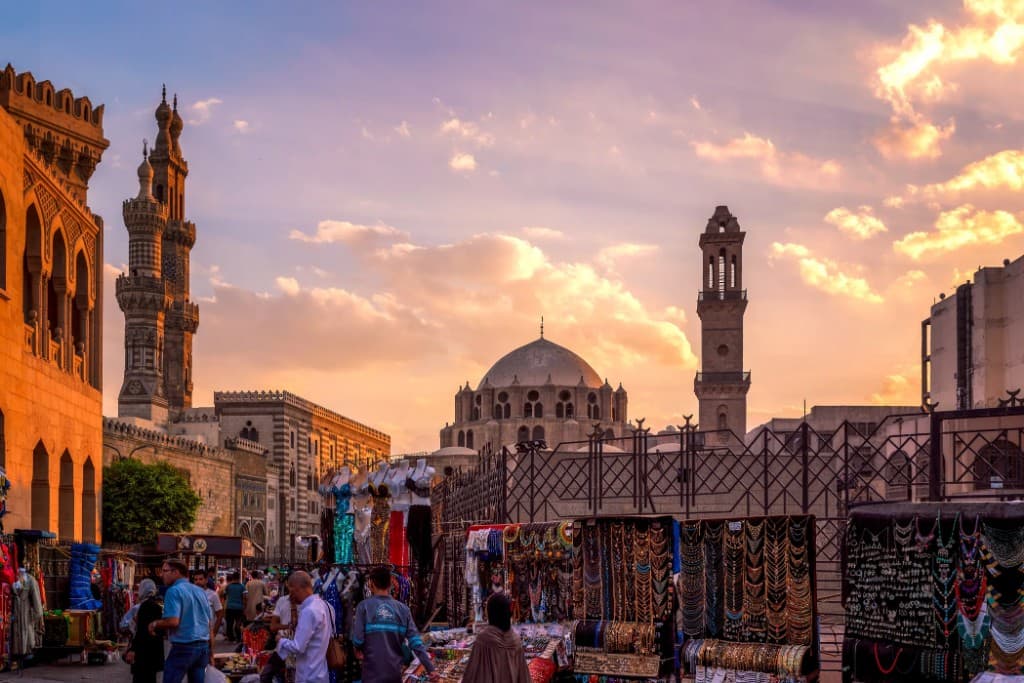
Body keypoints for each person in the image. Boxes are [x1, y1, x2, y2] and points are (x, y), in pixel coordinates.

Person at [353, 566, 438, 683]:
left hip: (371, 675)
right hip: (394, 674)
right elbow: (416, 643)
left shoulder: (363, 607)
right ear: (390, 584)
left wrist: (357, 648)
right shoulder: (403, 610)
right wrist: (430, 669)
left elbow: (358, 639)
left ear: (371, 583)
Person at [149, 559, 214, 683]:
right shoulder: (200, 591)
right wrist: (211, 652)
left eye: (165, 571)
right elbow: (208, 624)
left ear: (176, 572)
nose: (162, 574)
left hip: (184, 647)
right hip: (203, 647)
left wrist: (155, 624)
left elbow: (173, 621)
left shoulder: (174, 591)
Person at [275, 571, 331, 683]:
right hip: (320, 673)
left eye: (291, 591)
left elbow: (298, 647)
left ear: (297, 588)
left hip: (308, 675)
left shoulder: (308, 611)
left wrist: (281, 640)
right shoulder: (324, 605)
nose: (291, 596)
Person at [462, 593, 530, 683]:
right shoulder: (516, 640)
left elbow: (471, 675)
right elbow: (524, 676)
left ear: (491, 613)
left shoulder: (484, 640)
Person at [125, 579, 164, 683]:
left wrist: (133, 649)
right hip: (154, 651)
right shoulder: (156, 606)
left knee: (141, 678)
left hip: (144, 653)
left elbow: (141, 631)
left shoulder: (145, 606)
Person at [260, 583, 298, 683]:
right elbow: (273, 626)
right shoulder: (282, 601)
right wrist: (287, 626)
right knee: (266, 675)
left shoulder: (306, 605)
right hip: (283, 645)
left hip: (295, 648)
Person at [193, 570, 225, 642]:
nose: (198, 581)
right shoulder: (190, 594)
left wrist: (214, 633)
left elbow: (220, 615)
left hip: (207, 635)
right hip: (193, 635)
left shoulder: (213, 595)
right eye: (196, 579)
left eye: (200, 579)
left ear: (206, 580)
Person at [223, 571, 246, 642]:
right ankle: (238, 637)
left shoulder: (228, 586)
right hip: (239, 608)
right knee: (238, 623)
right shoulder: (242, 586)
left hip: (229, 607)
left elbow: (224, 595)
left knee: (229, 623)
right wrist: (244, 607)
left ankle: (231, 638)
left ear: (232, 578)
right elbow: (245, 598)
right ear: (239, 578)